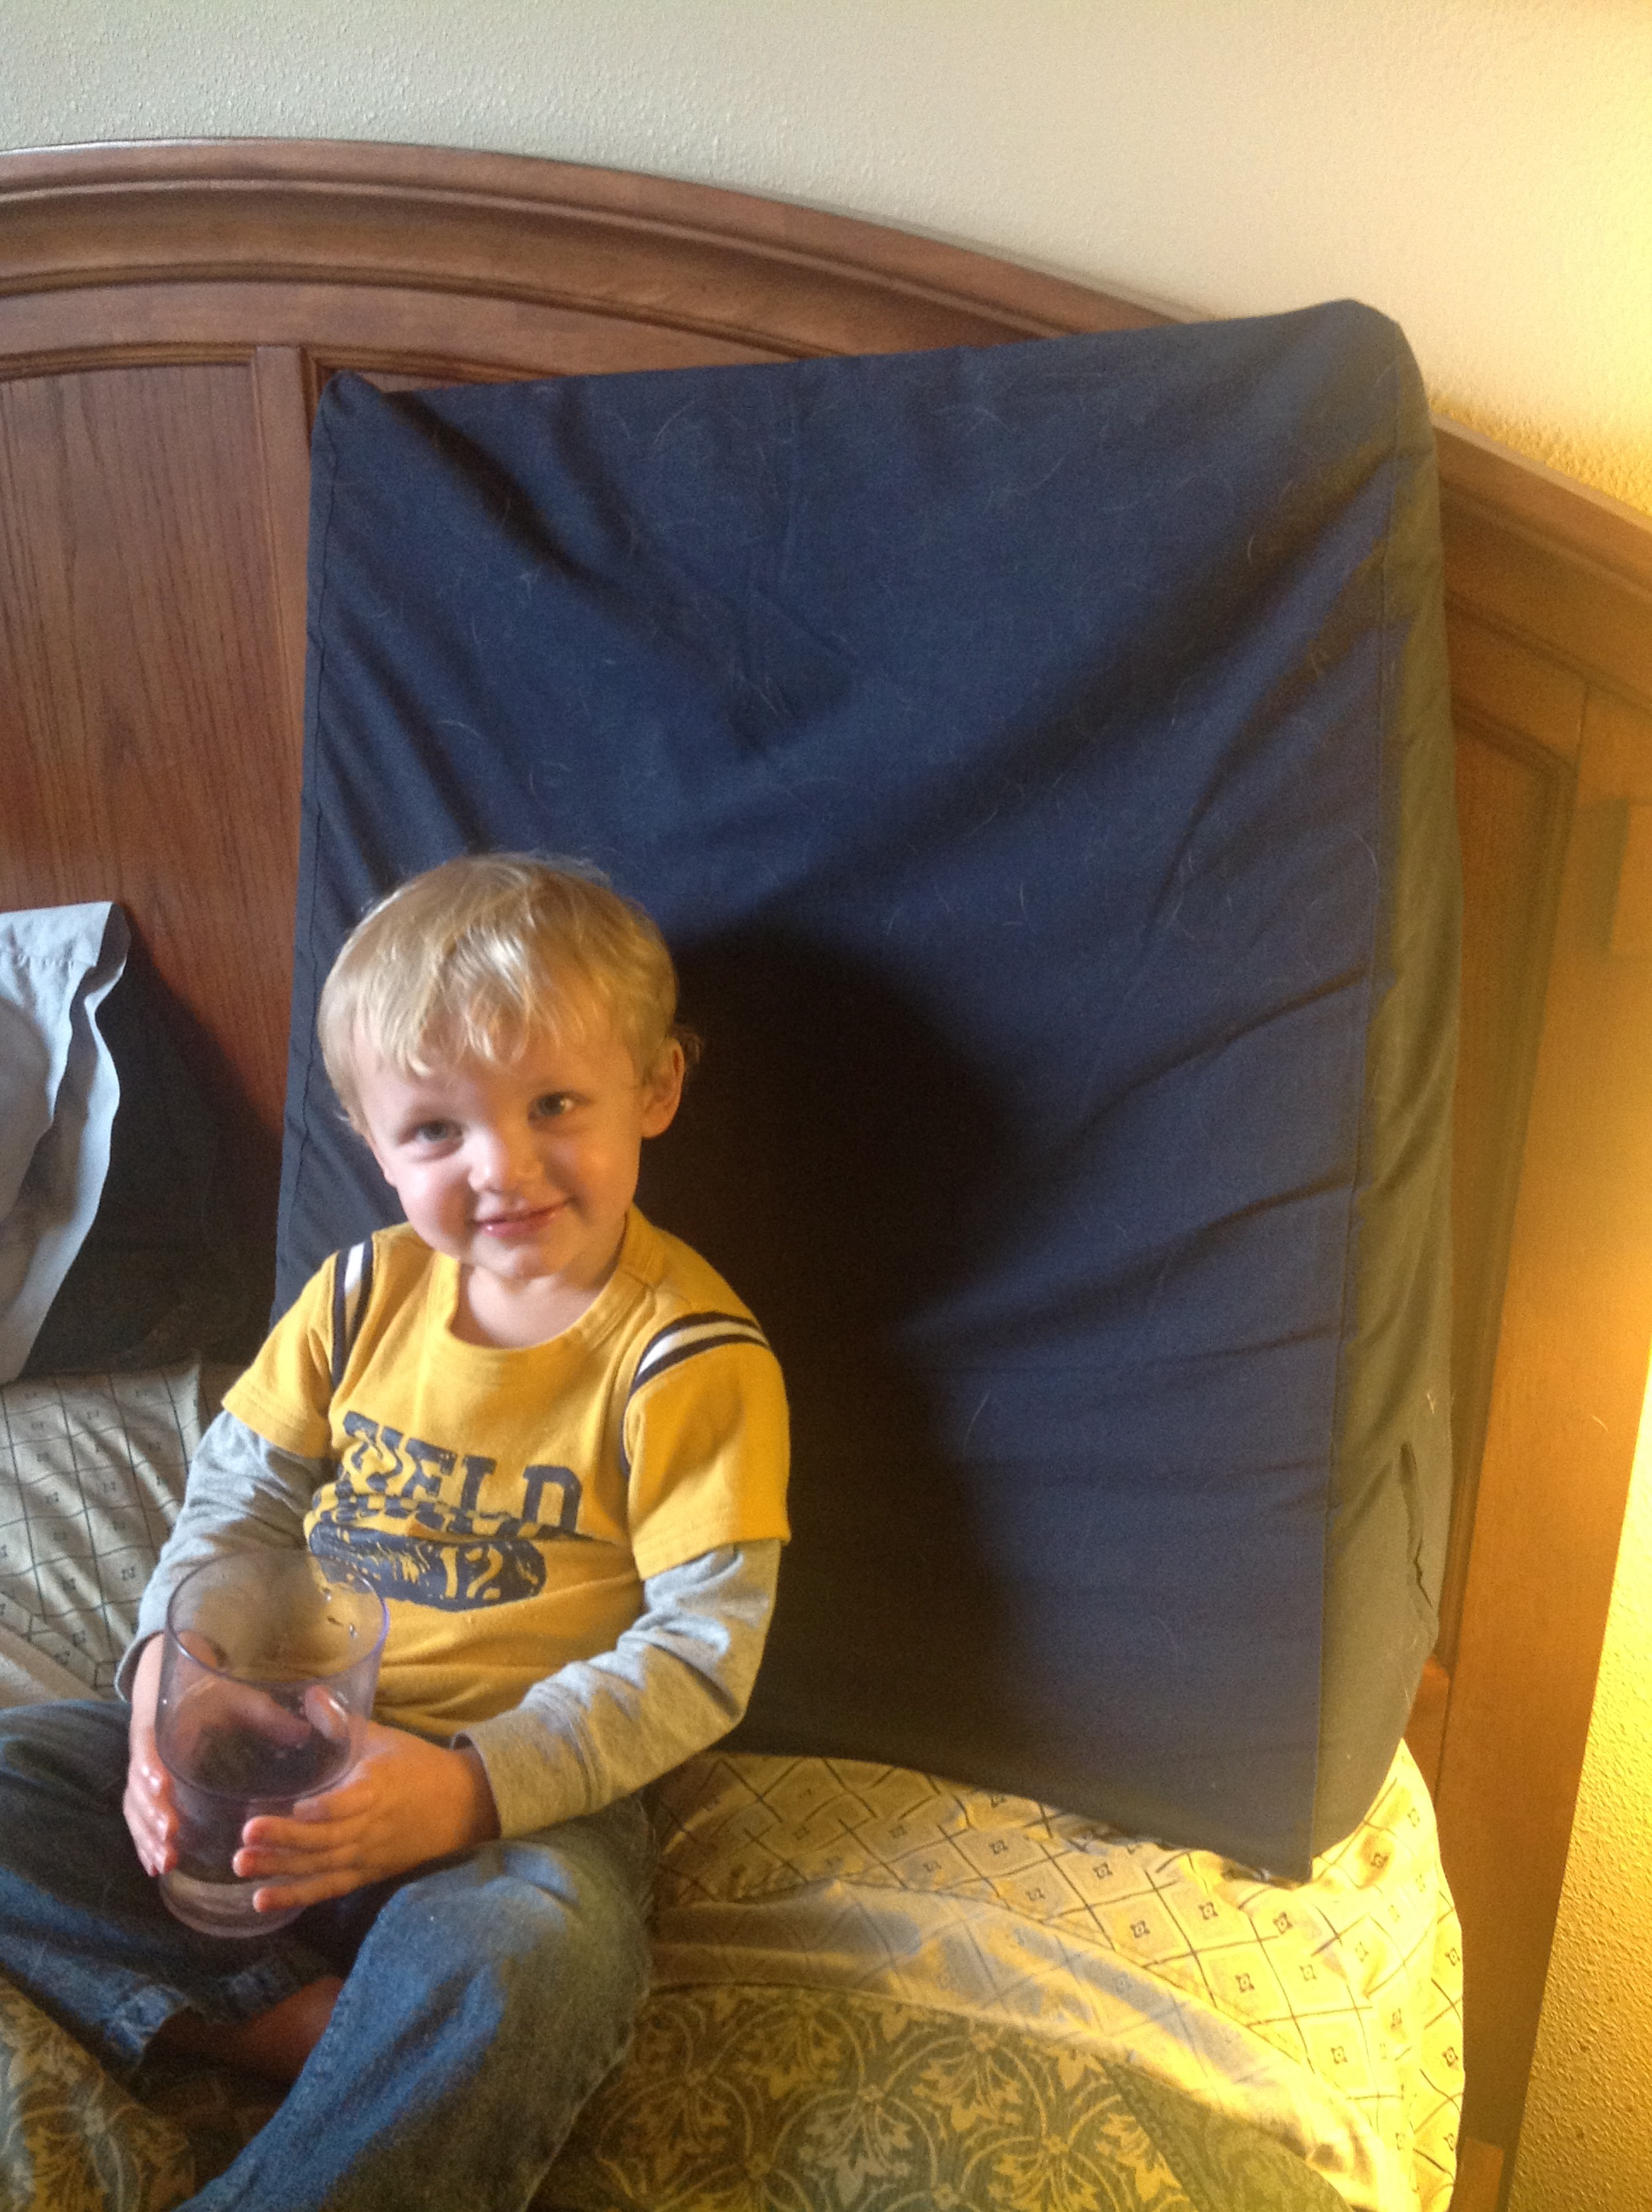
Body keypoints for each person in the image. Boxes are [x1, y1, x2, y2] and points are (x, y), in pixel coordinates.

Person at [0, 853, 790, 2209]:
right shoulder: (361, 1293)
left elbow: (702, 1652)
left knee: (533, 1957)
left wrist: (470, 1788)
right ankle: (283, 2030)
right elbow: (235, 1502)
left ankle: (357, 2087)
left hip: (504, 1805)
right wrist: (170, 1687)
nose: (503, 1168)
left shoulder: (686, 1358)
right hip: (279, 1742)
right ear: (370, 1140)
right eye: (434, 1130)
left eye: (555, 1104)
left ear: (655, 1088)